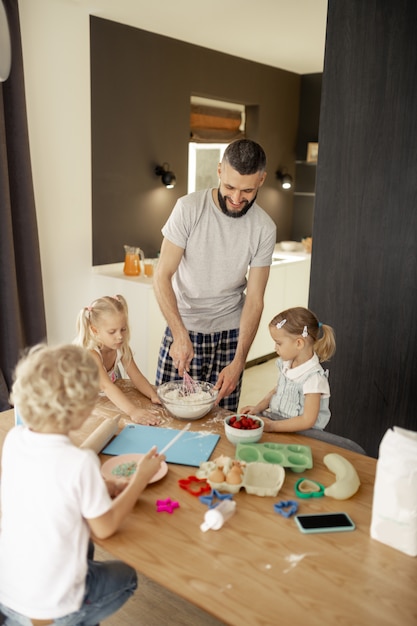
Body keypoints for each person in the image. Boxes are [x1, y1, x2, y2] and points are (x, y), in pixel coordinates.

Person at [0, 344, 165, 625]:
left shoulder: (15, 439)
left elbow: (48, 488)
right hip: (48, 609)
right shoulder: (80, 461)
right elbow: (105, 526)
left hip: (8, 591)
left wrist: (104, 488)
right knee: (127, 577)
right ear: (81, 410)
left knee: (82, 544)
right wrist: (139, 478)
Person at [153, 139, 277, 411]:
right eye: (230, 187)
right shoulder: (188, 209)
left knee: (220, 420)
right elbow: (162, 275)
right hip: (185, 330)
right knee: (167, 416)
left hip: (231, 335)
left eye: (247, 190)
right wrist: (179, 333)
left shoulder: (264, 228)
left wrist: (239, 361)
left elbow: (255, 299)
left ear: (262, 180)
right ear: (219, 170)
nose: (236, 198)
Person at [240, 307, 336, 432]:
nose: (275, 348)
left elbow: (308, 420)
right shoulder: (286, 364)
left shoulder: (314, 379)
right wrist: (257, 408)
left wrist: (272, 426)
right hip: (279, 425)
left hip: (303, 435)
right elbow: (276, 391)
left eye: (279, 343)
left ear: (299, 343)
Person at [75, 294, 160, 425]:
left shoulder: (121, 348)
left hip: (98, 400)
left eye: (123, 329)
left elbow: (136, 376)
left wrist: (153, 394)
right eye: (112, 332)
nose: (120, 336)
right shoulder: (91, 354)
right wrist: (133, 411)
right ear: (95, 330)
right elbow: (106, 386)